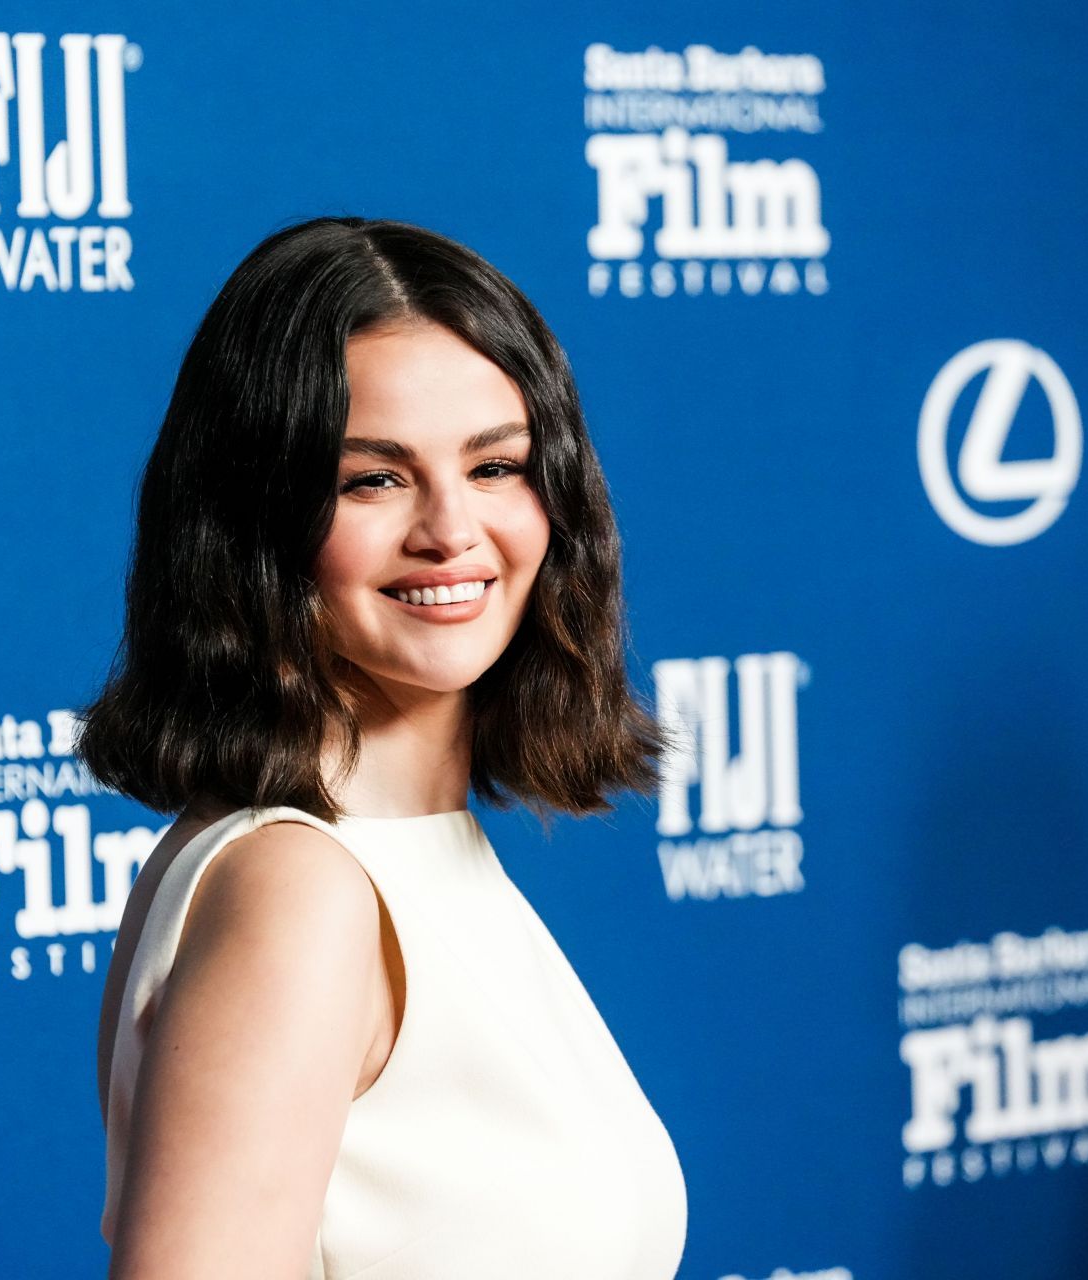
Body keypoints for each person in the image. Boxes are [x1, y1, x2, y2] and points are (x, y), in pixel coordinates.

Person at [83, 215, 686, 1279]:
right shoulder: (296, 885)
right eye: (375, 478)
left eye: (497, 465)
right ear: (256, 522)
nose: (452, 528)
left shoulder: (393, 854)